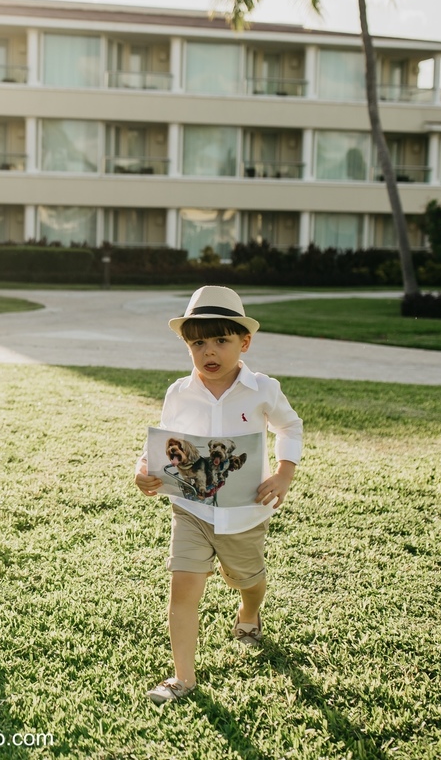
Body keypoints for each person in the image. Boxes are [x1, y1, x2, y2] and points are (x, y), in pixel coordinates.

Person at [134, 286, 303, 703]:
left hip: (245, 513)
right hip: (190, 509)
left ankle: (249, 611)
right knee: (183, 588)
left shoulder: (262, 389)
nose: (209, 352)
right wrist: (144, 470)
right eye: (198, 342)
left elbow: (290, 427)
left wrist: (283, 474)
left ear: (244, 342)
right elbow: (164, 441)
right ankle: (183, 679)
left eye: (221, 340)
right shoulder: (179, 391)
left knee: (249, 580)